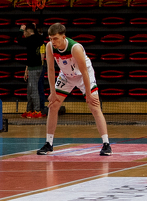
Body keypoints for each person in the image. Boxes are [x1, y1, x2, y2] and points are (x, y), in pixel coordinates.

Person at [37, 23, 111, 156]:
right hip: (66, 76)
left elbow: (85, 72)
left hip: (83, 75)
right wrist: (53, 92)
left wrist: (88, 94)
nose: (53, 41)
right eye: (51, 38)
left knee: (94, 106)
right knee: (53, 105)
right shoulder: (49, 47)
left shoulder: (75, 48)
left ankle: (106, 144)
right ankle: (49, 144)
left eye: (55, 38)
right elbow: (51, 69)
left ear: (63, 37)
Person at [20, 23, 45, 118]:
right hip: (34, 68)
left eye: (24, 32)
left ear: (27, 31)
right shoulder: (39, 38)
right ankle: (29, 109)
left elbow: (19, 40)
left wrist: (20, 30)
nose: (24, 34)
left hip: (35, 68)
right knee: (30, 89)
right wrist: (27, 70)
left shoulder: (30, 40)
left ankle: (37, 111)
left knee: (33, 90)